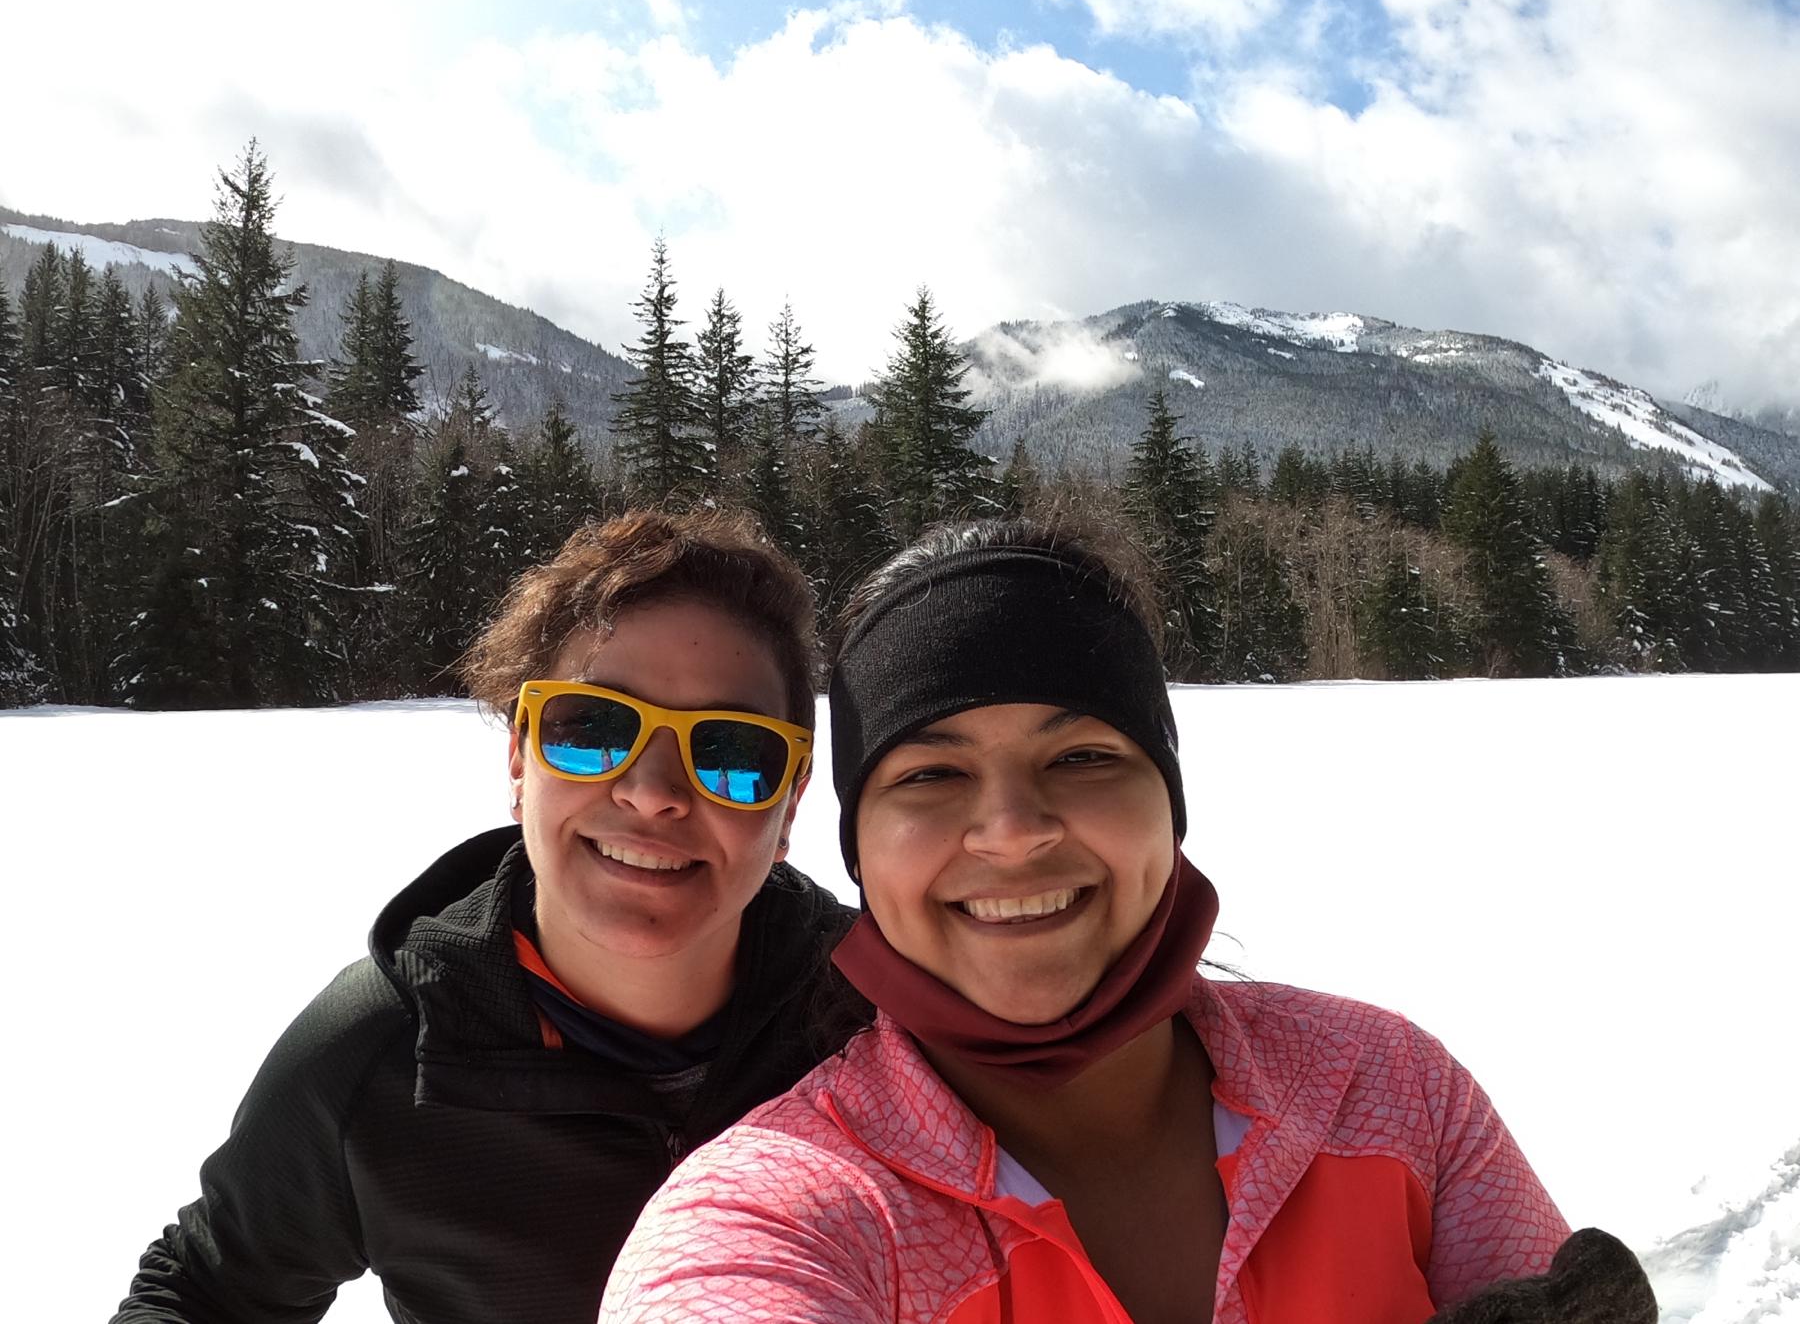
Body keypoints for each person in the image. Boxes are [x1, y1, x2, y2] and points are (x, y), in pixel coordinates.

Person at [600, 517, 1614, 1324]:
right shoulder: (777, 1213)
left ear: (1168, 805)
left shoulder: (1390, 1091)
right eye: (932, 773)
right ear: (859, 849)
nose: (1011, 831)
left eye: (1082, 758)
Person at [114, 510, 861, 1324]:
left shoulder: (879, 1025)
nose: (652, 791)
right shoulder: (385, 1050)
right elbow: (208, 1291)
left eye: (730, 752)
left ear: (789, 804)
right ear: (519, 759)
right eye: (593, 728)